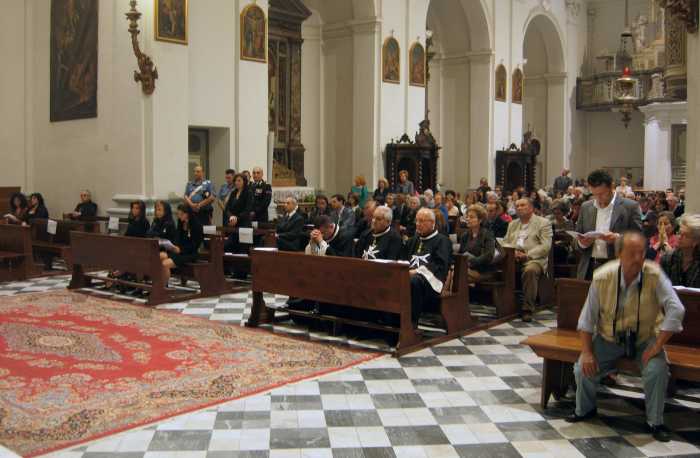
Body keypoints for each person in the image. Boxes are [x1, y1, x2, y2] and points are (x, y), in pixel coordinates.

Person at [568, 232, 685, 443]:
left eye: (642, 252)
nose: (639, 258)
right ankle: (585, 410)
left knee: (657, 371)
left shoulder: (654, 274)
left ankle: (655, 422)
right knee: (582, 369)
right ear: (619, 254)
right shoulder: (602, 276)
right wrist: (586, 352)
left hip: (645, 337)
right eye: (632, 253)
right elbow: (587, 318)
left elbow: (677, 309)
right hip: (608, 338)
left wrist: (658, 345)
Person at [576, 169, 642, 280]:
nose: (598, 198)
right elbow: (577, 238)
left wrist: (618, 239)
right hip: (589, 267)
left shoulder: (630, 206)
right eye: (594, 194)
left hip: (618, 266)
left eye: (602, 194)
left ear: (611, 186)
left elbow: (640, 238)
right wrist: (582, 243)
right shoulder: (586, 207)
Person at [502, 198, 553, 322]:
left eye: (523, 205)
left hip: (534, 259)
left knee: (530, 270)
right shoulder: (512, 223)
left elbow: (545, 246)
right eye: (517, 205)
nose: (519, 208)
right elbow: (505, 241)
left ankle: (527, 309)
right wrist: (512, 252)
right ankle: (504, 304)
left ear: (531, 208)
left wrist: (527, 255)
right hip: (513, 257)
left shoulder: (543, 222)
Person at [401, 208, 452, 326]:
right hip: (410, 276)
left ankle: (411, 323)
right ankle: (391, 318)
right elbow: (403, 259)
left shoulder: (442, 241)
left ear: (432, 223)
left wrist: (417, 271)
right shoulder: (413, 241)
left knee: (414, 281)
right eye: (417, 221)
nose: (418, 224)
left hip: (432, 281)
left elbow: (440, 265)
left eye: (422, 221)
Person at [159, 204, 204, 284]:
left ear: (187, 214)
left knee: (164, 264)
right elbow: (177, 238)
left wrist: (180, 250)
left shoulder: (196, 225)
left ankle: (162, 288)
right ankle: (159, 285)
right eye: (178, 214)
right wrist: (173, 246)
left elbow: (195, 245)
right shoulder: (181, 222)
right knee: (160, 256)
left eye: (181, 214)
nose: (179, 216)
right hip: (179, 252)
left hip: (190, 254)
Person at [661, 214, 700, 288]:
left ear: (696, 240)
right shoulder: (667, 259)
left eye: (685, 235)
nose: (679, 237)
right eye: (679, 233)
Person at [459, 205, 495, 283]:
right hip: (467, 268)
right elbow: (461, 253)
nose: (468, 219)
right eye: (467, 217)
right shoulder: (465, 235)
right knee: (453, 273)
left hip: (483, 270)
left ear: (480, 220)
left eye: (471, 217)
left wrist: (471, 262)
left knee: (457, 276)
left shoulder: (487, 234)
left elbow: (489, 255)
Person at [224, 173, 253, 254]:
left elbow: (247, 210)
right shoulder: (233, 193)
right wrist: (231, 217)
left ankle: (243, 267)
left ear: (244, 182)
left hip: (244, 225)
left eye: (239, 181)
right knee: (229, 247)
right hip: (234, 225)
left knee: (243, 250)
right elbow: (227, 209)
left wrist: (237, 218)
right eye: (235, 181)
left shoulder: (248, 193)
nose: (237, 182)